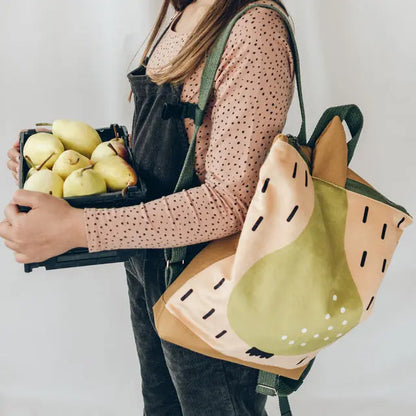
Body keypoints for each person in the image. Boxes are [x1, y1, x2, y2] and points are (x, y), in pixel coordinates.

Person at [3, 0, 295, 414]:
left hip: (211, 282)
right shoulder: (186, 10)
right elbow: (171, 147)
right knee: (162, 406)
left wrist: (80, 228)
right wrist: (62, 159)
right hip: (151, 262)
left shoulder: (254, 29)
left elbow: (231, 201)